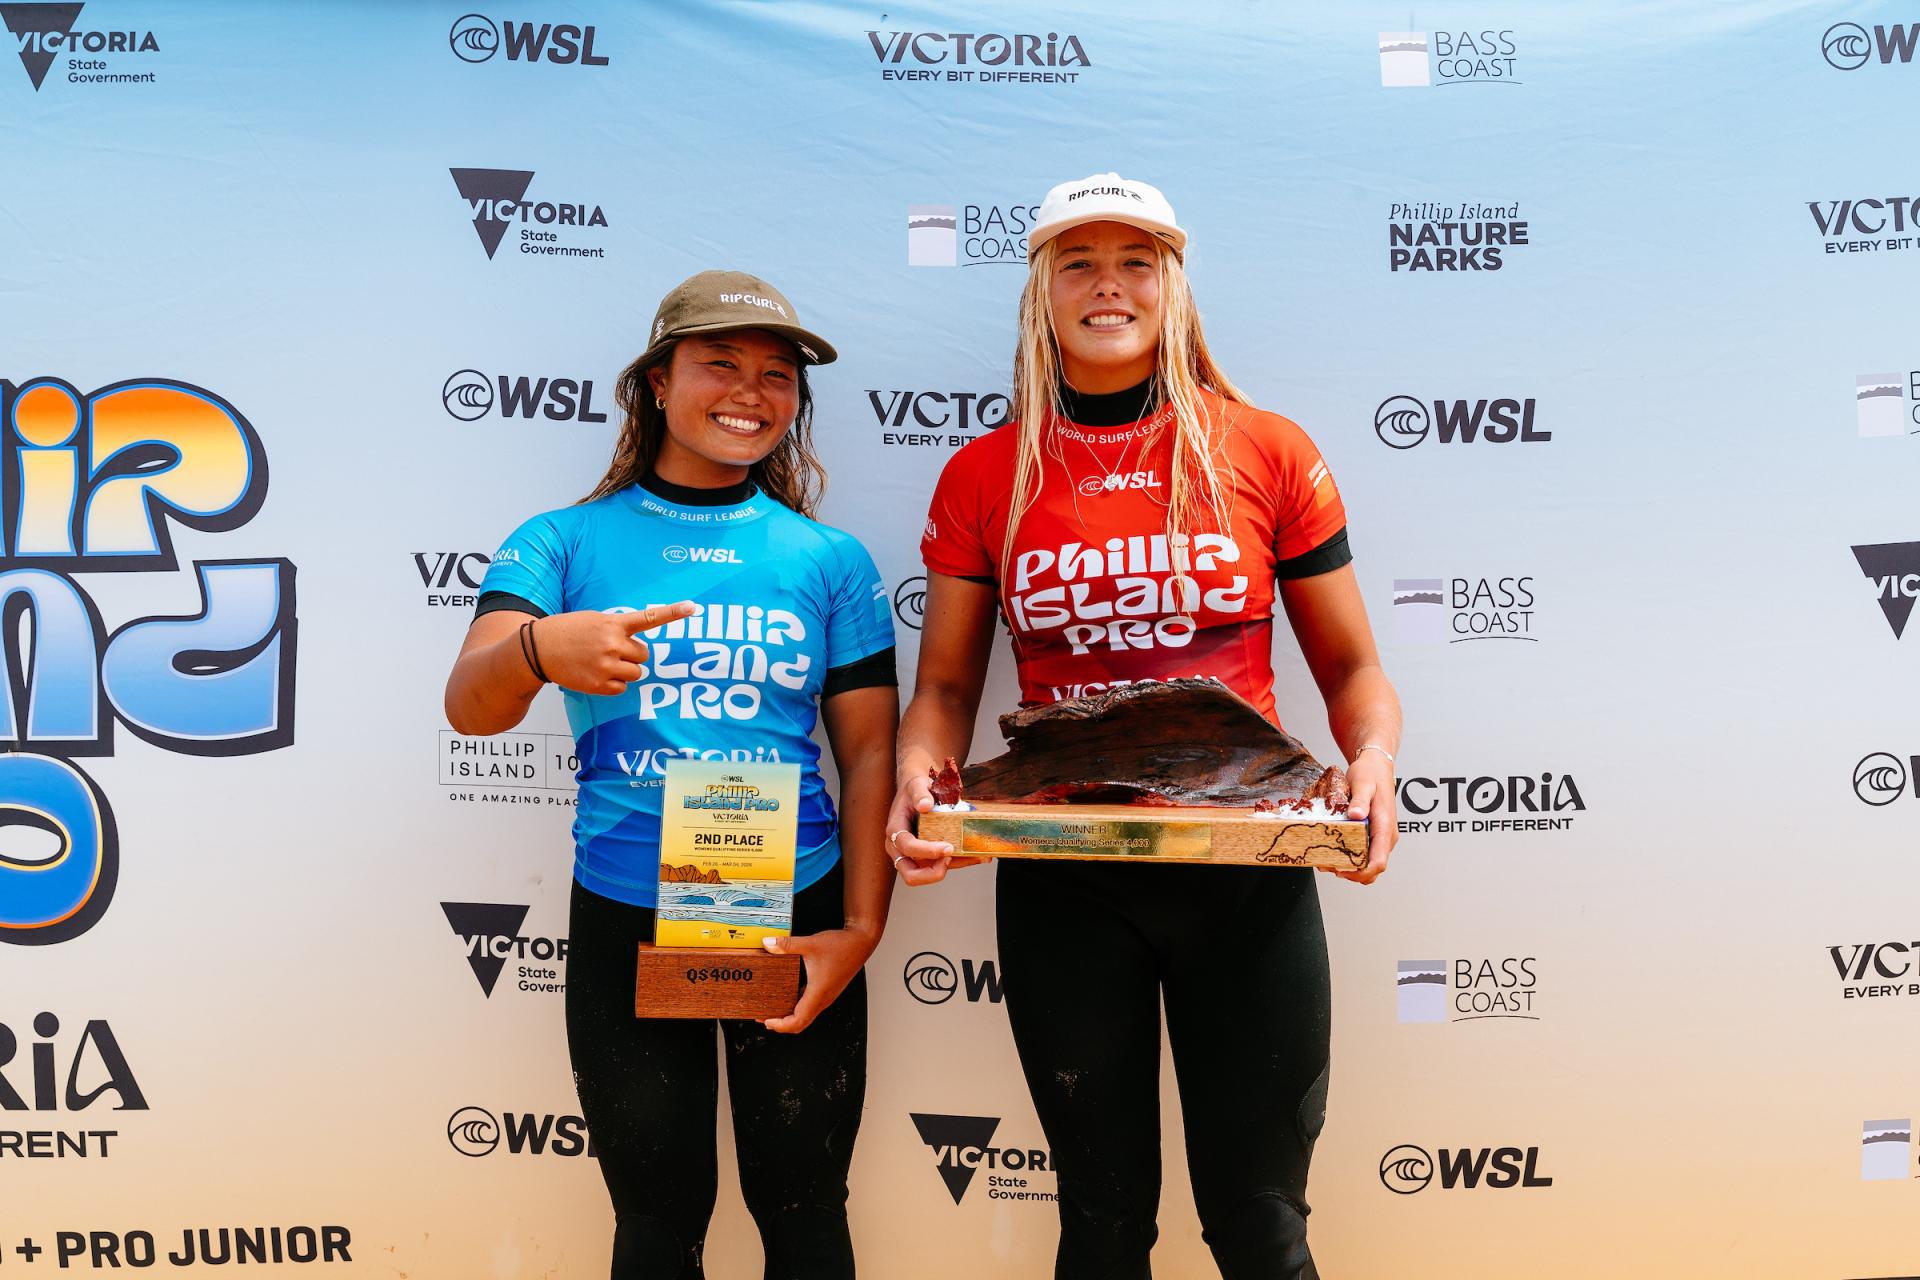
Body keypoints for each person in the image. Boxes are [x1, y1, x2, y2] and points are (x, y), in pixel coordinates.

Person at [887, 175, 1402, 1280]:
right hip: (1066, 877)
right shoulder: (987, 471)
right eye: (1078, 261)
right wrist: (917, 778)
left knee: (1261, 1226)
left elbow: (1354, 667)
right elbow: (942, 687)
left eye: (1136, 260)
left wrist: (1372, 763)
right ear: (1041, 289)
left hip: (1246, 875)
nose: (1107, 284)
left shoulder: (1264, 448)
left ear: (1173, 284)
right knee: (1103, 1225)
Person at [444, 270, 898, 1280]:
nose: (752, 392)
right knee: (657, 1222)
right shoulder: (561, 541)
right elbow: (470, 703)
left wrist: (862, 927)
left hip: (789, 900)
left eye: (777, 376)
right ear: (656, 380)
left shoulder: (828, 558)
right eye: (720, 365)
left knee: (806, 1209)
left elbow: (871, 754)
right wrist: (538, 650)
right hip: (626, 906)